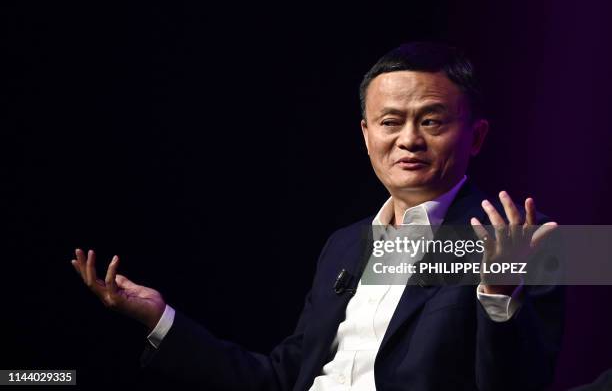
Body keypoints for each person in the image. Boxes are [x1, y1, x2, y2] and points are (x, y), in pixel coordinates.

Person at [71, 42, 564, 390]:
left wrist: (499, 298)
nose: (409, 139)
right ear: (366, 134)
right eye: (391, 122)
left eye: (431, 121)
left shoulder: (524, 237)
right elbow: (282, 378)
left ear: (475, 137)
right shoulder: (346, 244)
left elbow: (522, 382)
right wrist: (161, 319)